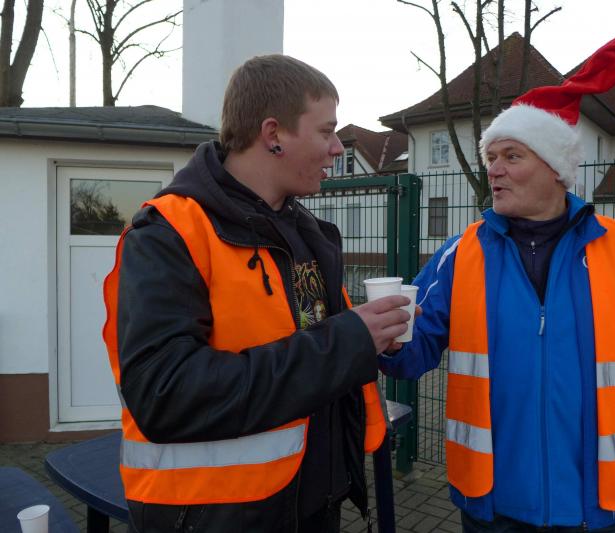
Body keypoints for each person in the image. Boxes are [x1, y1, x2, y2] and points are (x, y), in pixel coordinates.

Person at [380, 4, 615, 532]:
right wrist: (387, 338)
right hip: (490, 510)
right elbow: (413, 354)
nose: (495, 170)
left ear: (555, 168)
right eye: (491, 158)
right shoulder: (463, 253)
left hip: (596, 512)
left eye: (511, 156)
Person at [102, 55, 411, 532]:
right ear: (273, 134)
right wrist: (348, 341)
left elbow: (310, 339)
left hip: (313, 504)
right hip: (215, 516)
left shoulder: (307, 231)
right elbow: (166, 394)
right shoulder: (168, 234)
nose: (336, 148)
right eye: (326, 131)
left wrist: (372, 336)